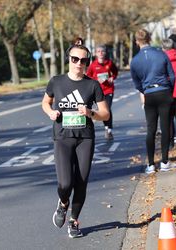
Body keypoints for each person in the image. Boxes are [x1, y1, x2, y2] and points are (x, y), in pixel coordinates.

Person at [41, 38, 110, 238]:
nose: (79, 64)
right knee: (65, 183)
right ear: (68, 60)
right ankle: (63, 203)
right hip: (62, 137)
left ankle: (74, 221)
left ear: (88, 63)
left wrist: (90, 113)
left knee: (81, 181)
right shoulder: (57, 81)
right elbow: (46, 102)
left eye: (83, 61)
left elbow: (105, 114)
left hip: (85, 138)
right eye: (75, 59)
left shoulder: (93, 85)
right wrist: (50, 113)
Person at [130, 29, 176, 174]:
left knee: (151, 129)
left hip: (149, 94)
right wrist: (169, 89)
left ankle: (150, 164)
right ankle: (164, 161)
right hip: (164, 91)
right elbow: (172, 76)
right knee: (165, 128)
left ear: (136, 41)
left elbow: (137, 83)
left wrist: (145, 91)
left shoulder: (135, 60)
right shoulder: (160, 54)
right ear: (150, 38)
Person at [86, 45, 118, 140]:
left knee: (107, 108)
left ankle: (108, 129)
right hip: (98, 91)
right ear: (95, 53)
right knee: (103, 110)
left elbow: (115, 72)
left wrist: (112, 78)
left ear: (105, 53)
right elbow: (88, 77)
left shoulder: (109, 63)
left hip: (108, 89)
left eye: (102, 51)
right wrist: (96, 80)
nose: (100, 53)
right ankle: (106, 127)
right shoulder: (93, 65)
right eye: (98, 51)